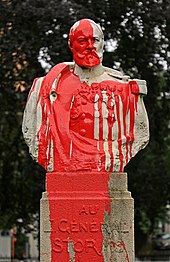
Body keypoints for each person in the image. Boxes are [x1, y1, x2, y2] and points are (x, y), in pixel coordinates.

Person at [22, 19, 149, 173]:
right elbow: (32, 133)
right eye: (82, 41)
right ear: (71, 44)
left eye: (95, 40)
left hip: (108, 163)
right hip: (62, 165)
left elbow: (140, 134)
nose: (90, 46)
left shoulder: (126, 89)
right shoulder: (45, 88)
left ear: (102, 43)